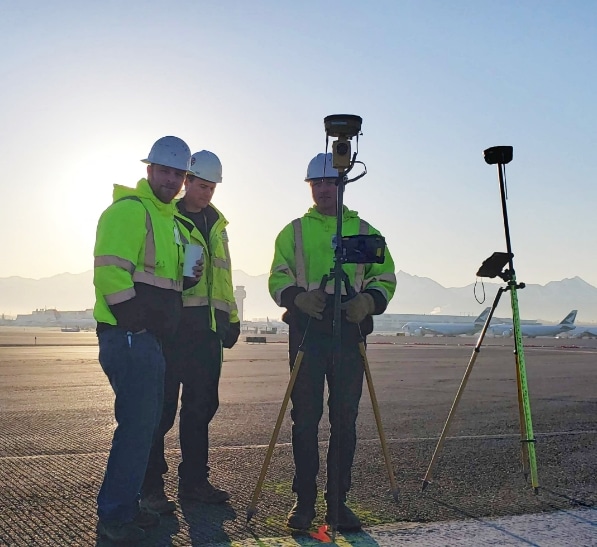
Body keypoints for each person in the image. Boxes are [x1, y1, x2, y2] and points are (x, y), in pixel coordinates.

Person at [268, 152, 396, 531]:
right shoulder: (292, 232)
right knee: (304, 420)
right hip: (308, 331)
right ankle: (303, 503)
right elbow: (277, 276)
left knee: (345, 420)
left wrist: (367, 302)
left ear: (342, 185)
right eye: (317, 183)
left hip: (349, 332)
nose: (323, 189)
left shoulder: (365, 230)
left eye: (330, 182)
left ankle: (338, 504)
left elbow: (384, 276)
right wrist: (296, 298)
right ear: (310, 187)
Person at [94, 136, 203, 544]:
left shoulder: (169, 220)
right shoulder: (129, 211)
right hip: (129, 337)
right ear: (149, 170)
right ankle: (115, 515)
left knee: (143, 429)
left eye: (179, 174)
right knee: (137, 427)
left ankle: (127, 503)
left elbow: (160, 277)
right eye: (165, 171)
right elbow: (108, 271)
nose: (172, 180)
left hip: (149, 339)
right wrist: (135, 324)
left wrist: (185, 278)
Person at [141, 150, 240, 513]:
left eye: (212, 187)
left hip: (207, 334)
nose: (207, 192)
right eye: (201, 185)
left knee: (201, 409)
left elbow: (223, 278)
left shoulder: (217, 224)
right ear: (186, 181)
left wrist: (230, 318)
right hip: (172, 331)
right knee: (162, 412)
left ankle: (195, 482)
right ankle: (151, 486)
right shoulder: (169, 218)